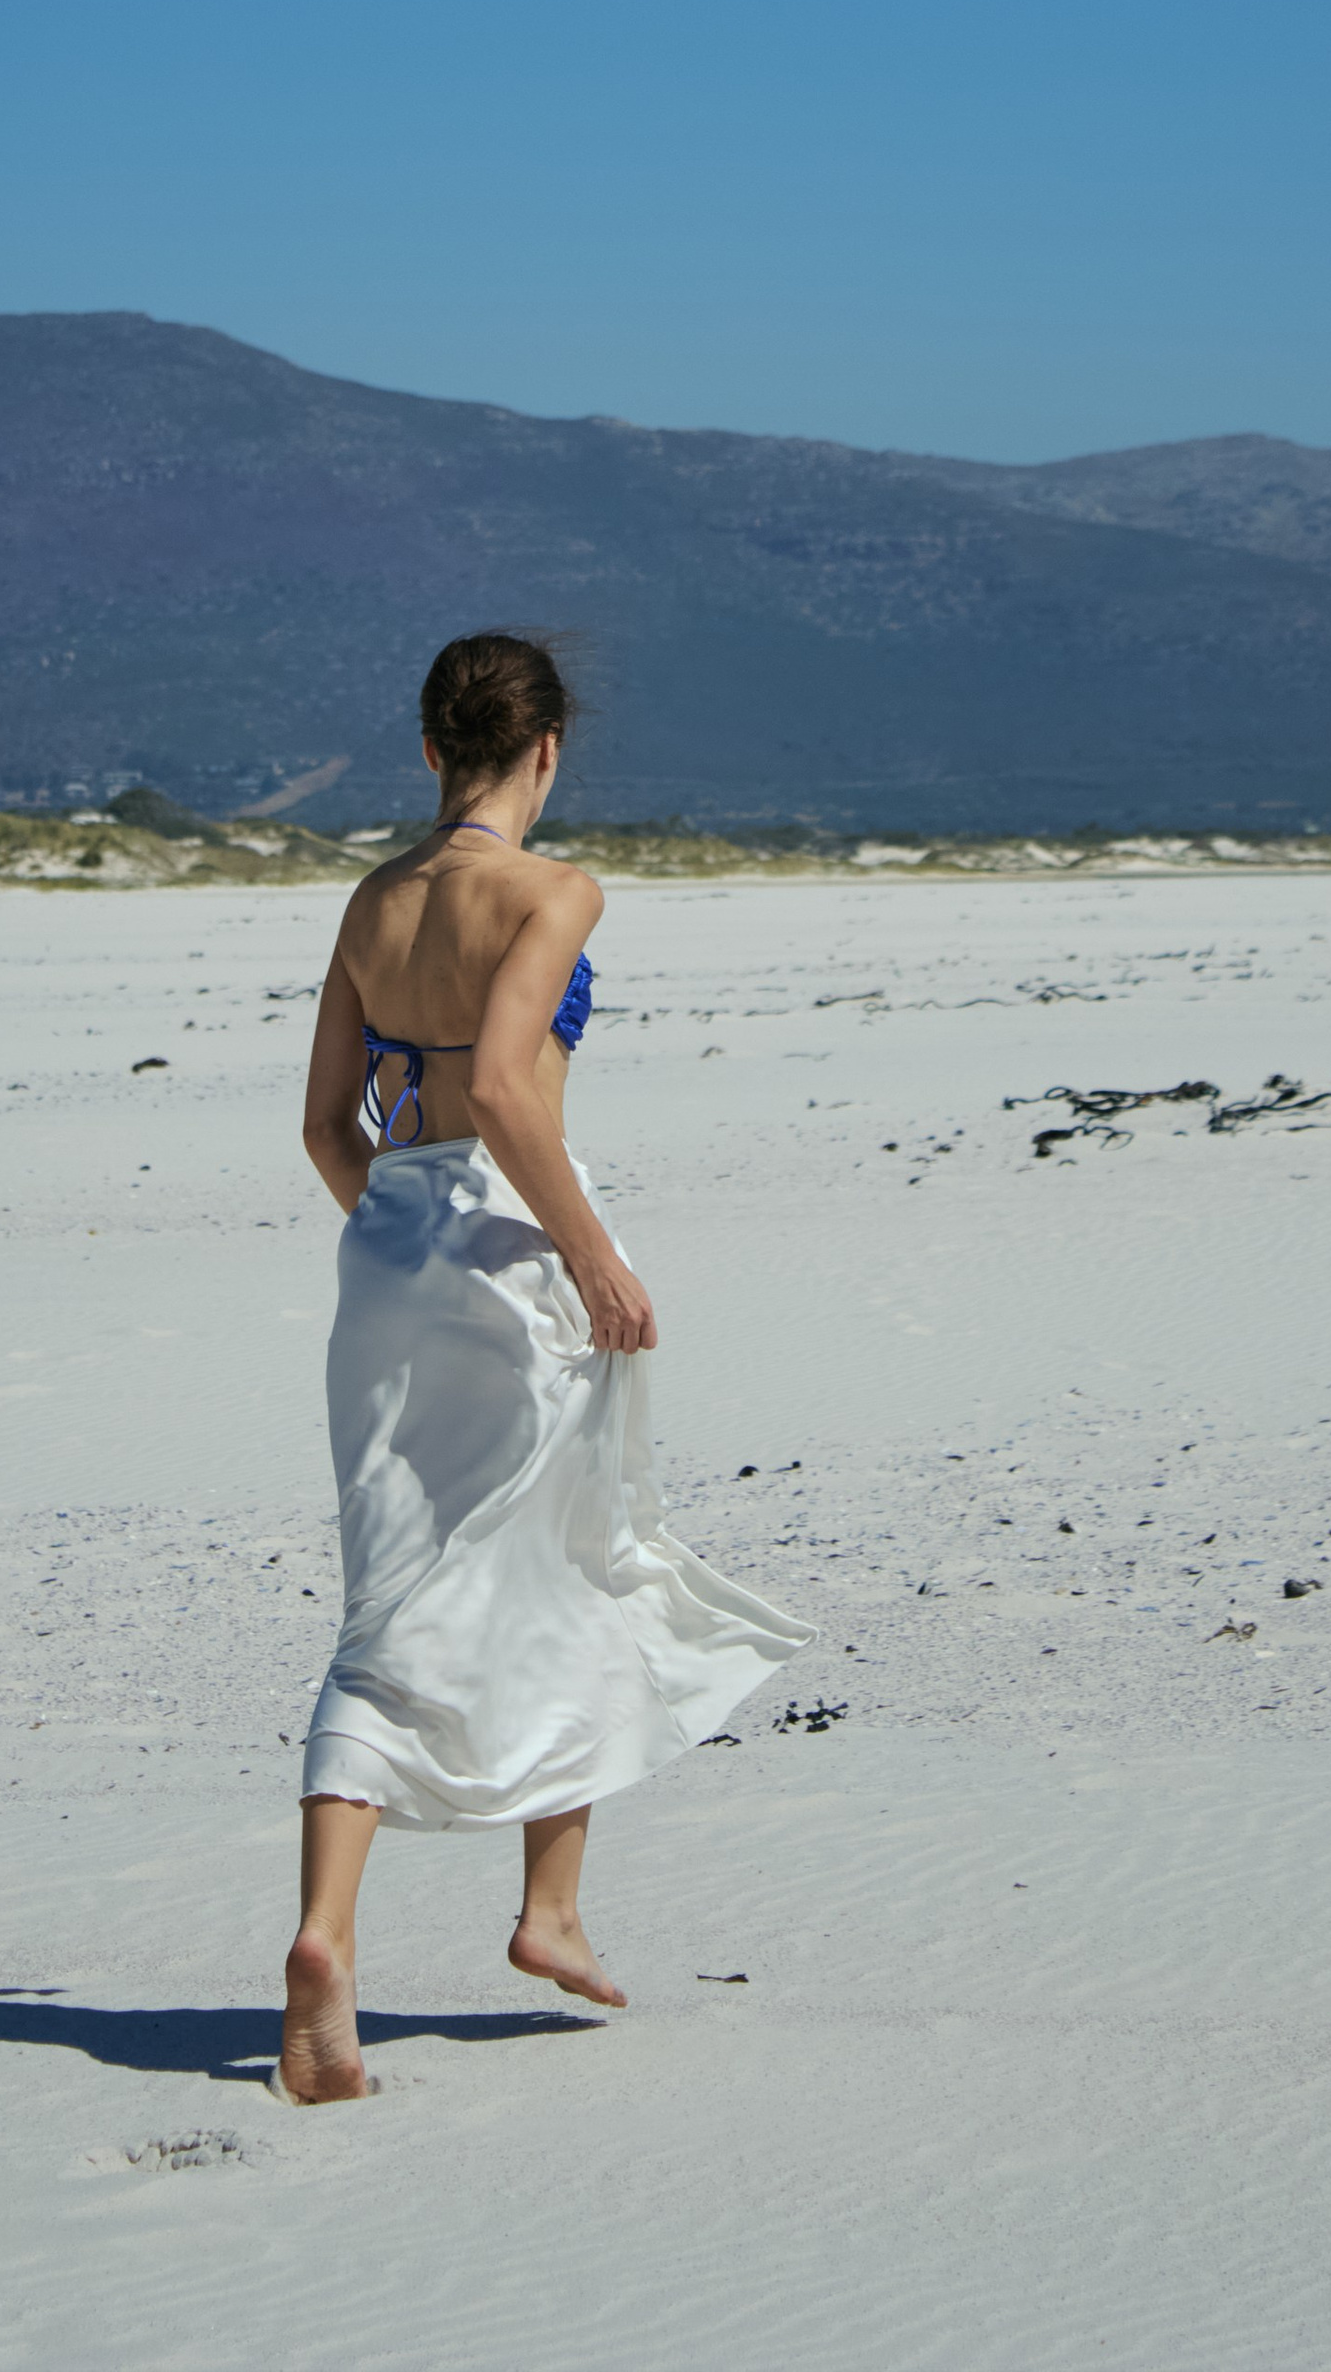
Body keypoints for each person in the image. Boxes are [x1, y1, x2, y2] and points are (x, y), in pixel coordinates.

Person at [277, 630, 810, 2102]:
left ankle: (331, 1933)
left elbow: (328, 1127)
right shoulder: (556, 891)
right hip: (516, 1236)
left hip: (386, 1253)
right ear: (548, 752)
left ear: (431, 750)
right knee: (575, 1553)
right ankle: (549, 1905)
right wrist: (584, 1252)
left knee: (393, 1591)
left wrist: (403, 1241)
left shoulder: (372, 901)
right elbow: (509, 1084)